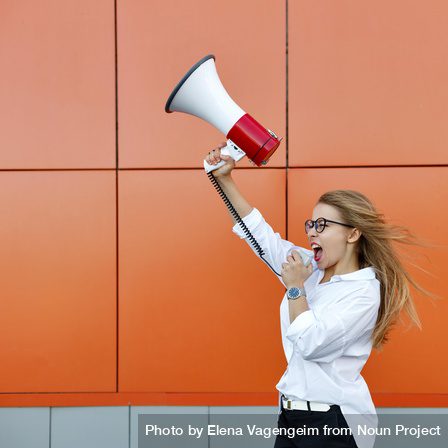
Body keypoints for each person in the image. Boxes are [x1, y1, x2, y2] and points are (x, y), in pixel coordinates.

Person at [204, 142, 439, 448]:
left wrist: (295, 289)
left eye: (323, 225)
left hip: (332, 423)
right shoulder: (310, 269)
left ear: (352, 234)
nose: (312, 232)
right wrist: (224, 179)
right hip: (290, 417)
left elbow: (312, 344)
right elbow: (260, 236)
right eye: (311, 224)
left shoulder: (363, 293)